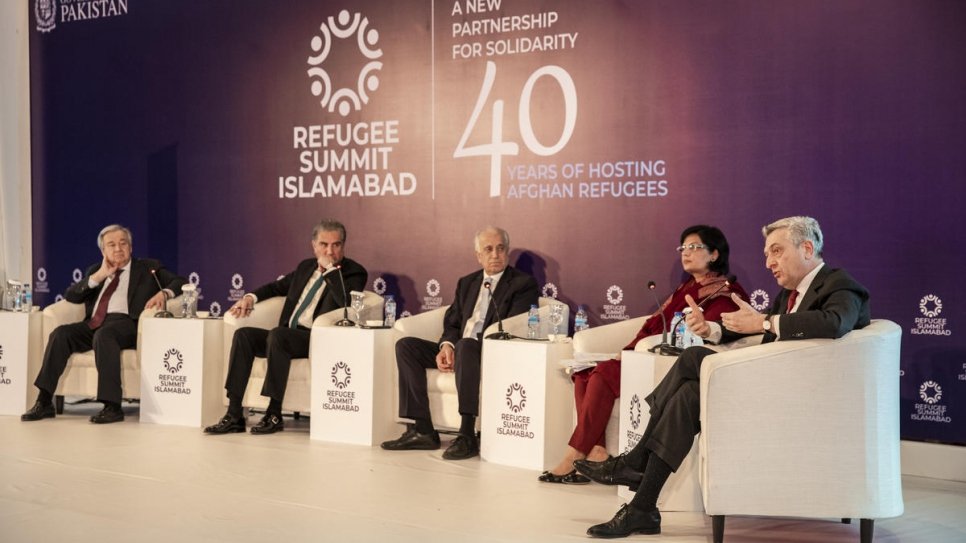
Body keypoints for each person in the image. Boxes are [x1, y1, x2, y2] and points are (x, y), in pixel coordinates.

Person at [577, 216, 871, 538]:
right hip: (772, 387)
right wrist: (712, 329)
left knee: (692, 359)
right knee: (688, 395)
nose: (769, 262)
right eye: (766, 254)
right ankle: (643, 508)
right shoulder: (788, 294)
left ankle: (634, 461)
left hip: (800, 402)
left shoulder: (839, 283)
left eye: (776, 251)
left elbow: (834, 322)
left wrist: (766, 323)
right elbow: (759, 334)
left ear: (807, 247)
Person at [539, 225, 748, 484]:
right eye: (683, 247)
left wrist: (634, 353)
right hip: (645, 353)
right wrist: (625, 351)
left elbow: (715, 331)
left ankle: (573, 456)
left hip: (669, 361)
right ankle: (598, 453)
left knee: (602, 374)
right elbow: (653, 324)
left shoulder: (726, 292)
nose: (686, 253)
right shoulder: (685, 288)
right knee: (583, 374)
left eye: (695, 247)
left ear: (715, 254)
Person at [381, 226, 539, 460]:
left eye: (500, 248)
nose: (495, 254)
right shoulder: (467, 283)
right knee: (406, 346)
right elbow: (453, 322)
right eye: (488, 249)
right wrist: (447, 346)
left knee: (466, 345)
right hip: (461, 348)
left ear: (507, 252)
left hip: (489, 350)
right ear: (478, 255)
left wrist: (462, 344)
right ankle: (423, 429)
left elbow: (513, 325)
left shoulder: (522, 283)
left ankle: (467, 434)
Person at [204, 219, 367, 435]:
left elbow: (345, 301)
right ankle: (234, 415)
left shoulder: (354, 272)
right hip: (284, 336)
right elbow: (276, 287)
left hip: (314, 338)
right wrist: (250, 297)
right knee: (244, 335)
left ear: (343, 246)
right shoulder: (305, 267)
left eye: (336, 245)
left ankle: (273, 413)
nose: (330, 250)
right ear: (314, 245)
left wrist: (329, 271)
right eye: (324, 244)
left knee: (278, 336)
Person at [22, 224, 186, 424]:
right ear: (103, 251)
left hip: (128, 324)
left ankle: (112, 406)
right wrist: (100, 275)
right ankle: (44, 401)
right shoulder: (95, 271)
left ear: (131, 248)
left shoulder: (147, 268)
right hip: (94, 323)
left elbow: (180, 282)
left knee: (105, 335)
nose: (118, 249)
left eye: (122, 243)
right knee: (60, 334)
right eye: (111, 245)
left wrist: (164, 293)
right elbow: (71, 296)